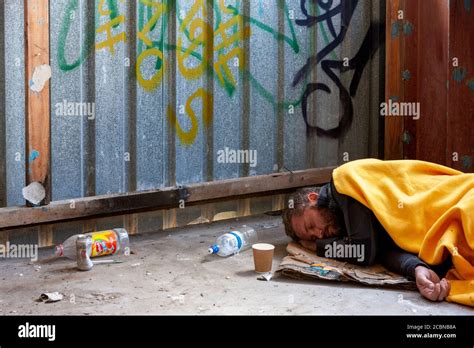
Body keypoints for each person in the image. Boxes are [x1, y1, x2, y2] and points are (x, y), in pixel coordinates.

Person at [282, 161, 464, 302]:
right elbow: (382, 252)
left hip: (455, 199)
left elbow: (363, 252)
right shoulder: (351, 229)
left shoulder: (342, 183)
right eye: (313, 238)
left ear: (313, 199)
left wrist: (320, 247)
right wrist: (417, 268)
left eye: (311, 225)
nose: (320, 235)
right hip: (448, 235)